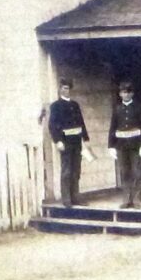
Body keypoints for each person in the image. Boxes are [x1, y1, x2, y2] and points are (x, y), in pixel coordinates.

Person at [48, 77, 90, 207]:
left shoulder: (75, 105)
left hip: (76, 141)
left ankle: (75, 197)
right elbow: (52, 125)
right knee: (66, 170)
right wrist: (58, 141)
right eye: (64, 88)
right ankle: (66, 199)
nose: (66, 91)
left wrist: (86, 138)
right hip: (65, 142)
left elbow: (81, 123)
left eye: (68, 88)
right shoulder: (55, 106)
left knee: (76, 169)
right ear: (60, 89)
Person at [107, 81, 141, 209]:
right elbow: (113, 127)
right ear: (120, 94)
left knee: (136, 172)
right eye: (123, 92)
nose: (126, 95)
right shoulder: (117, 109)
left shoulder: (138, 107)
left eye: (128, 92)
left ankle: (136, 200)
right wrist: (111, 145)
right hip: (121, 146)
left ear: (132, 94)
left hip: (135, 145)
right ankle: (126, 199)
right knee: (124, 172)